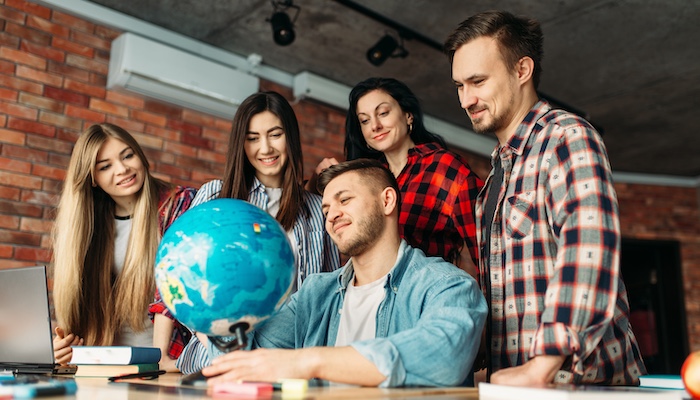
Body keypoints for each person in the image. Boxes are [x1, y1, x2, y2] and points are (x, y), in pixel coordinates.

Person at [444, 10, 646, 385]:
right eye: (459, 85)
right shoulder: (491, 185)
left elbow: (590, 252)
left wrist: (543, 364)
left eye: (478, 81)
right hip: (523, 387)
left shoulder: (566, 138)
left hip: (584, 385)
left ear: (522, 70)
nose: (465, 99)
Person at [178, 159, 487, 387]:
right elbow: (253, 355)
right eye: (325, 210)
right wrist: (216, 308)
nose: (332, 215)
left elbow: (443, 360)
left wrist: (309, 361)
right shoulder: (314, 293)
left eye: (345, 200)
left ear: (387, 200)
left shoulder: (447, 285)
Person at [51, 123, 196, 371]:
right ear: (92, 178)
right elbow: (76, 301)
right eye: (105, 166)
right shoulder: (87, 224)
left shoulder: (180, 204)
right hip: (105, 365)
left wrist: (159, 358)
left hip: (166, 363)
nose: (122, 169)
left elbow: (175, 285)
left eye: (128, 155)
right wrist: (63, 347)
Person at [307, 78, 484, 277]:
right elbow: (310, 211)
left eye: (383, 113)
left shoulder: (443, 167)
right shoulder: (364, 179)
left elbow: (484, 246)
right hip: (368, 295)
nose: (375, 125)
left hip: (425, 295)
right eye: (365, 120)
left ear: (408, 115)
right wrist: (316, 177)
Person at [184, 91, 341, 289]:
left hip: (299, 320)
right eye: (253, 138)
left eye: (275, 135)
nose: (265, 148)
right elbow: (181, 268)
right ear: (241, 143)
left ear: (290, 137)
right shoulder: (215, 196)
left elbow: (332, 291)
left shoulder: (318, 208)